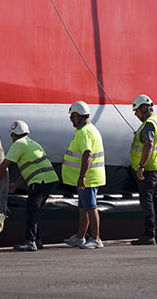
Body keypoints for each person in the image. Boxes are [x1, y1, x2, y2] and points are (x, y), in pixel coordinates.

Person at [0, 120, 59, 251]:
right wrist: (15, 185)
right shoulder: (31, 143)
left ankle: (30, 241)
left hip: (40, 181)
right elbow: (29, 170)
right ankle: (37, 240)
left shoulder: (18, 144)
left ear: (14, 135)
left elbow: (5, 164)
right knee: (34, 211)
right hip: (49, 180)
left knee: (31, 210)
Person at [62, 101, 105, 249]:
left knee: (91, 207)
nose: (71, 120)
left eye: (72, 116)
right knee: (83, 208)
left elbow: (87, 154)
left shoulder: (84, 132)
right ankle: (80, 237)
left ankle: (96, 239)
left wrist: (82, 176)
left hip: (88, 179)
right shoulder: (88, 129)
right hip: (87, 177)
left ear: (78, 116)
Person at [130, 94, 157, 245]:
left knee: (147, 202)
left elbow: (149, 145)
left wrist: (141, 166)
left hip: (148, 168)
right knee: (156, 200)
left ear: (144, 108)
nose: (135, 114)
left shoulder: (149, 124)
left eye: (136, 111)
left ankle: (148, 234)